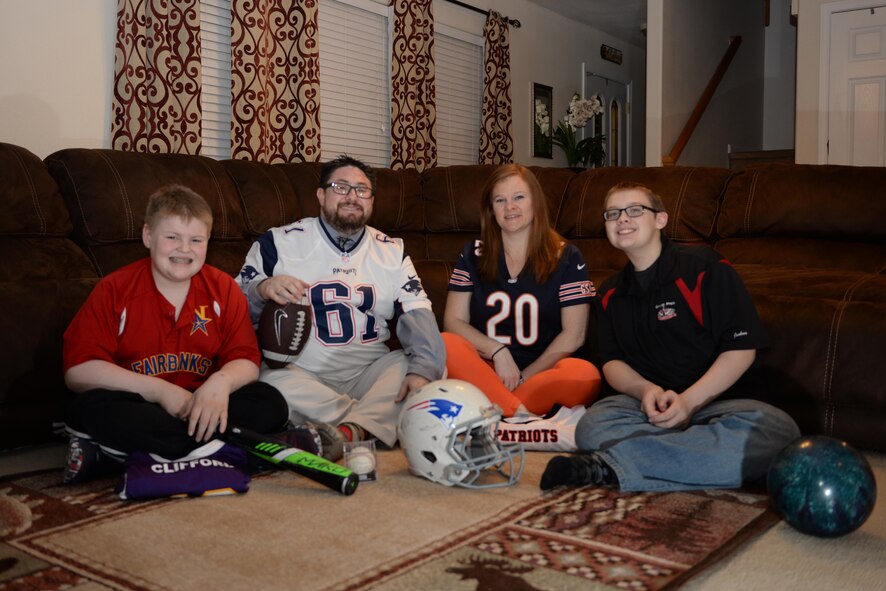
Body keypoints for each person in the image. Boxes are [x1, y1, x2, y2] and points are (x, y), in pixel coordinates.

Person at [540, 182, 801, 491]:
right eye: (613, 214)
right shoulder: (609, 292)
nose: (622, 219)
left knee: (779, 432)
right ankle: (700, 462)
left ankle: (610, 468)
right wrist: (645, 390)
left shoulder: (705, 267)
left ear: (660, 219)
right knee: (591, 426)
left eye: (634, 210)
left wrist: (689, 403)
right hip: (649, 409)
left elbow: (741, 349)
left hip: (720, 406)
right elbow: (612, 362)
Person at [63, 185, 292, 483]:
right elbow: (78, 371)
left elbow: (246, 361)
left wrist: (219, 384)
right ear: (148, 236)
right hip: (142, 406)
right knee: (91, 409)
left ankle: (120, 456)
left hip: (204, 405)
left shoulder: (224, 289)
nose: (184, 249)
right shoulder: (114, 289)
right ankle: (235, 451)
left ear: (208, 241)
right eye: (172, 237)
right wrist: (161, 392)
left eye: (196, 240)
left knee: (270, 402)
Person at [236, 155, 445, 450]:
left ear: (372, 201)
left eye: (362, 190)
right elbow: (232, 305)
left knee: (425, 365)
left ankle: (345, 431)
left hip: (369, 373)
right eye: (340, 187)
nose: (352, 196)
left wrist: (422, 372)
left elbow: (418, 313)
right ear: (321, 196)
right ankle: (369, 424)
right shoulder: (278, 243)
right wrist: (262, 288)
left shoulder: (392, 251)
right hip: (300, 373)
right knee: (268, 383)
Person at [443, 164, 601, 418]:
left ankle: (498, 408)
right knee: (445, 344)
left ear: (535, 203)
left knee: (584, 375)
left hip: (542, 373)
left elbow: (575, 335)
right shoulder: (473, 253)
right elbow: (453, 321)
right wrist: (497, 351)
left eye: (518, 197)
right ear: (491, 209)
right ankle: (520, 413)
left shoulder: (567, 256)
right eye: (500, 200)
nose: (510, 207)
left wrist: (526, 377)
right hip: (487, 369)